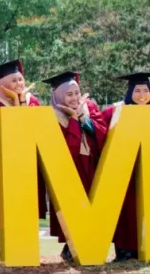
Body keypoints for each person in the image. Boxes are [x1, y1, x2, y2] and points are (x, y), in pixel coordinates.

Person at [95, 72, 150, 262]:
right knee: (125, 214)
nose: (142, 95)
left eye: (146, 90)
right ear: (130, 92)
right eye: (137, 90)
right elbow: (99, 131)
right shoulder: (116, 111)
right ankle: (125, 250)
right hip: (124, 173)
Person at [41, 71, 108, 262]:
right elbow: (60, 146)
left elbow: (102, 132)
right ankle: (72, 245)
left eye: (77, 93)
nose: (74, 98)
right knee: (72, 206)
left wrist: (82, 119)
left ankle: (83, 245)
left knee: (91, 203)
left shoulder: (89, 107)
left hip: (90, 165)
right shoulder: (51, 115)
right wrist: (71, 120)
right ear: (59, 95)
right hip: (67, 167)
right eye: (69, 94)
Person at [0, 60, 48, 240]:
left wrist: (23, 102)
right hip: (8, 166)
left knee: (29, 203)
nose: (19, 84)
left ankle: (27, 243)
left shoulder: (32, 100)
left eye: (21, 79)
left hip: (29, 163)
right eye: (14, 81)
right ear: (2, 86)